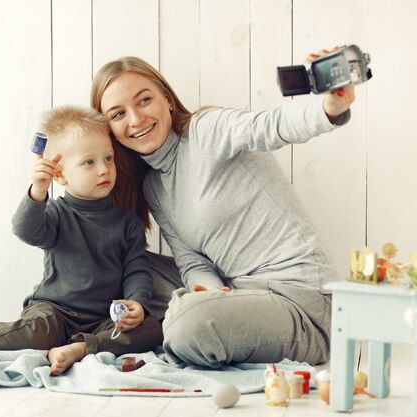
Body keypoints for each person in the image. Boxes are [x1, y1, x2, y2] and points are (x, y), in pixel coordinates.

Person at [90, 56, 355, 369]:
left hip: (301, 305)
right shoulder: (153, 186)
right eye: (118, 114)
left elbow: (271, 126)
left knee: (186, 327)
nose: (135, 119)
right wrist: (209, 291)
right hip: (237, 293)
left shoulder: (206, 130)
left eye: (144, 100)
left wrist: (329, 109)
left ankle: (182, 324)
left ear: (167, 100)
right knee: (118, 261)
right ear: (109, 129)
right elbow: (191, 260)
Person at [0, 105, 163, 376]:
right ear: (60, 174)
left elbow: (136, 270)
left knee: (151, 329)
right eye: (89, 162)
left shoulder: (127, 223)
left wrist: (136, 303)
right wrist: (38, 191)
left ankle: (77, 349)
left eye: (108, 158)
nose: (104, 169)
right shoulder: (55, 213)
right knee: (34, 331)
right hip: (54, 311)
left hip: (103, 318)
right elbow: (25, 230)